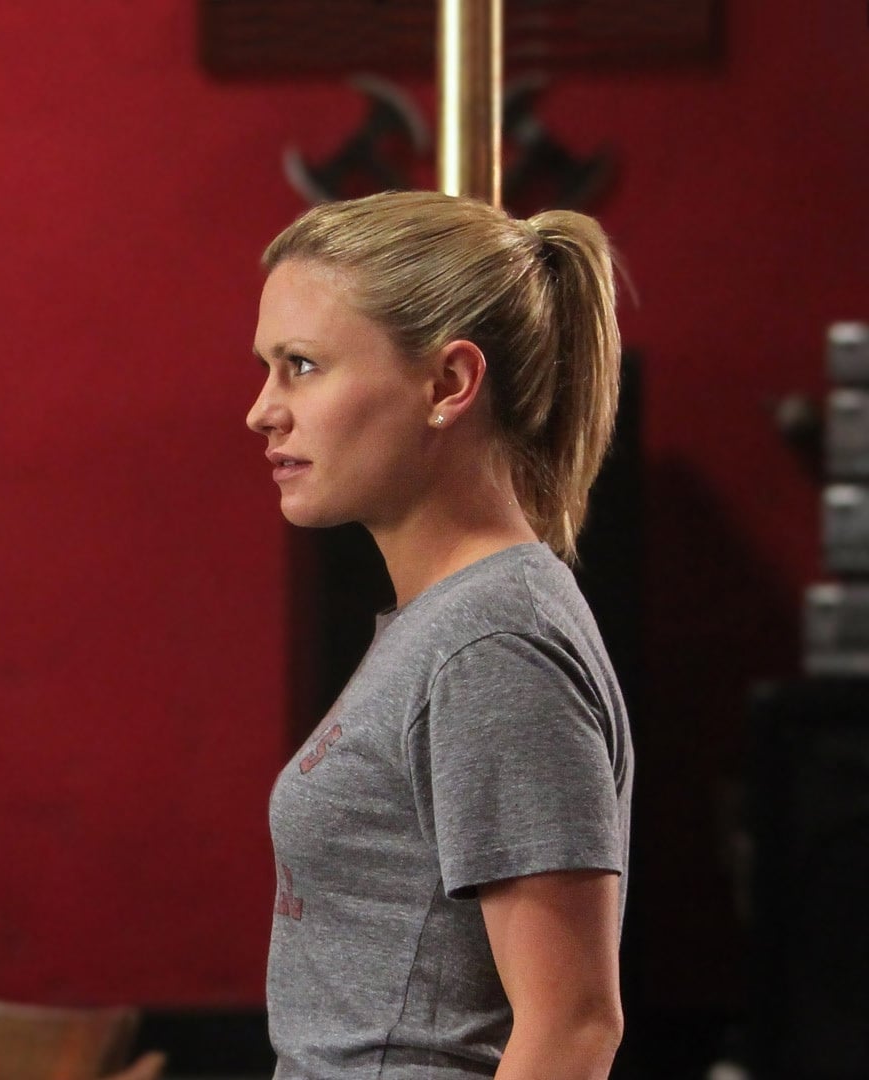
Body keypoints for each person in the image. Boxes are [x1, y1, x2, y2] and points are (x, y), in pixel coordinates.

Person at [247, 190, 634, 1079]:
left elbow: (573, 1027)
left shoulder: (490, 643)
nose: (263, 410)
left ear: (450, 384)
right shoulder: (452, 623)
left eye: (301, 365)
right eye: (268, 369)